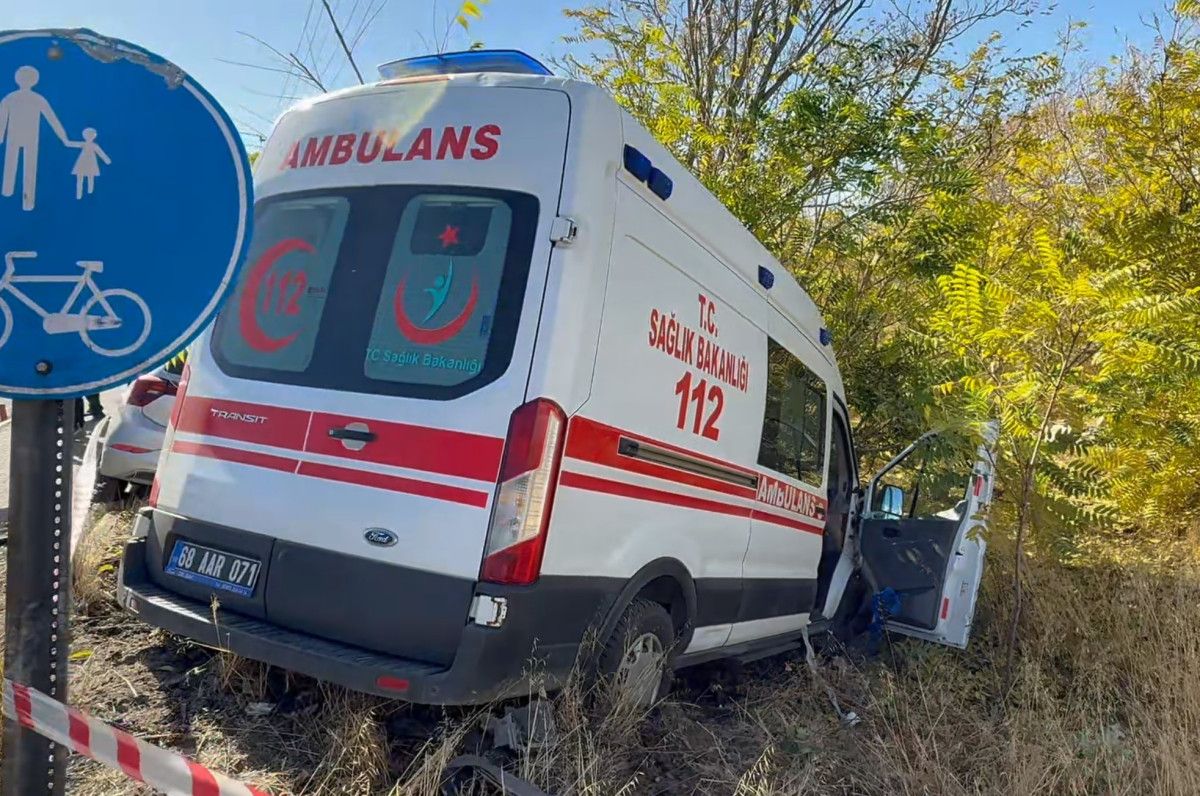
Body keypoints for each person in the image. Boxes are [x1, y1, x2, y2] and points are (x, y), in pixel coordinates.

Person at [69, 127, 110, 199]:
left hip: (90, 163)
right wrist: (67, 142)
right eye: (88, 135)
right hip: (82, 163)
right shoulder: (83, 144)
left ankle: (90, 193)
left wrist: (106, 160)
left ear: (94, 136)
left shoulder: (94, 145)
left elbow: (100, 153)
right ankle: (79, 194)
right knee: (80, 178)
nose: (89, 137)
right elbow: (73, 144)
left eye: (91, 135)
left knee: (90, 177)